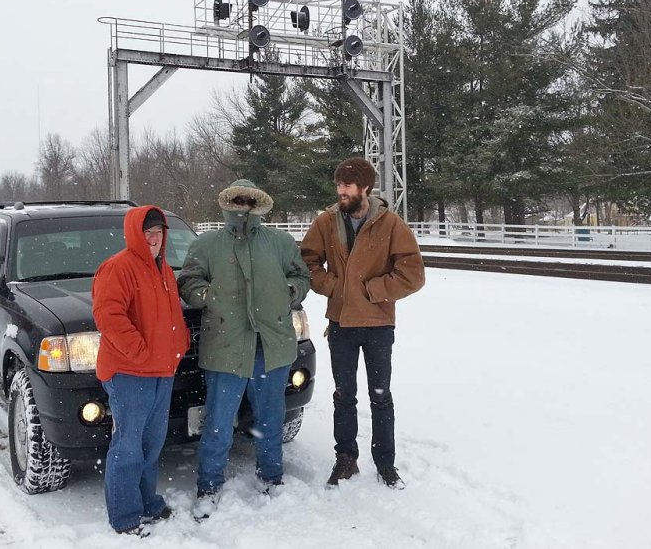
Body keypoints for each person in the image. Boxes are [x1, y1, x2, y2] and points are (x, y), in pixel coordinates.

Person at [179, 179, 310, 521]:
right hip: (226, 346)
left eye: (248, 200)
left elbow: (302, 276)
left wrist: (290, 291)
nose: (242, 205)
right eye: (236, 200)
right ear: (226, 203)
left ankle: (271, 477)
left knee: (271, 418)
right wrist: (208, 297)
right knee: (219, 422)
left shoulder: (279, 243)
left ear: (258, 203)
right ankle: (209, 487)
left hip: (272, 344)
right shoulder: (207, 245)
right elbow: (188, 281)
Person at [301, 157, 425, 490]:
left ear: (365, 188)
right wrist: (332, 287)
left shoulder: (390, 224)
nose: (341, 191)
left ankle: (386, 463)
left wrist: (375, 290)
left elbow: (413, 274)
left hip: (378, 324)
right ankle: (346, 460)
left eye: (348, 186)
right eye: (339, 185)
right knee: (344, 395)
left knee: (380, 396)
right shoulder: (327, 221)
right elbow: (307, 261)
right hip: (341, 323)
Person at [92, 206, 190, 536]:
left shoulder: (163, 270)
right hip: (129, 373)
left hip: (161, 370)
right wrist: (140, 352)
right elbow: (109, 317)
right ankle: (125, 516)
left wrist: (181, 344)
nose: (153, 238)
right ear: (135, 233)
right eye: (147, 232)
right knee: (128, 446)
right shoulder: (118, 268)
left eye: (159, 233)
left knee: (151, 444)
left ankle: (148, 502)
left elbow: (172, 314)